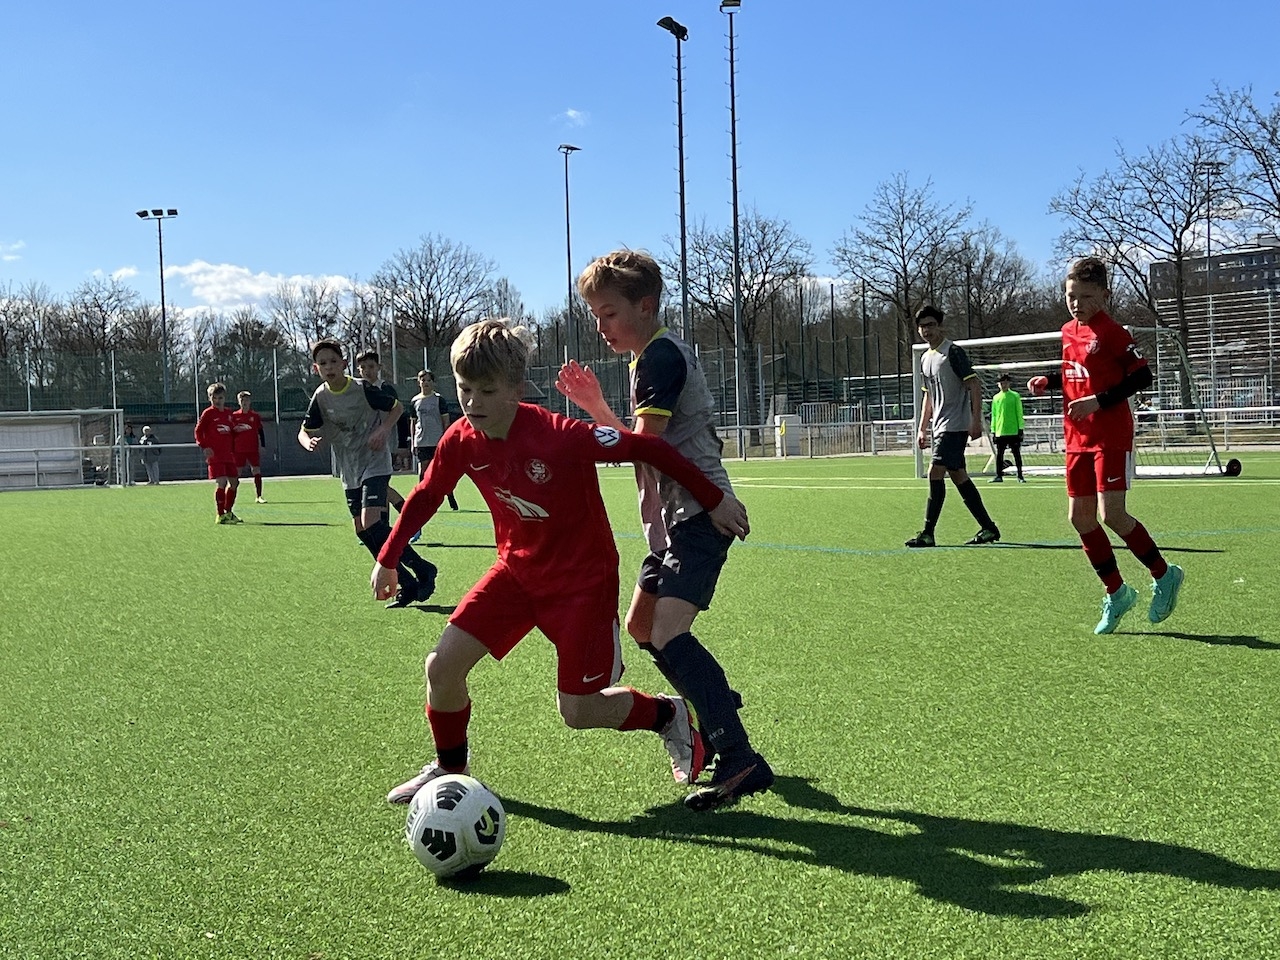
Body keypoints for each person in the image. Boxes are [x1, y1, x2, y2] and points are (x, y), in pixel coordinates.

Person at [376, 319, 751, 811]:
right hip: (515, 574)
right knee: (441, 668)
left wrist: (714, 499)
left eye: (487, 391)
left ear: (516, 389)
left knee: (578, 710)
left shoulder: (559, 435)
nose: (472, 402)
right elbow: (426, 494)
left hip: (581, 585)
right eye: (465, 388)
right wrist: (388, 559)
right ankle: (450, 768)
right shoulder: (461, 438)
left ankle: (668, 715)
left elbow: (649, 446)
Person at [557, 248, 774, 811]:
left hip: (700, 515)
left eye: (608, 313)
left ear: (645, 306)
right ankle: (713, 703)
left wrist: (587, 421)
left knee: (669, 632)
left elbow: (643, 447)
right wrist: (596, 405)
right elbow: (640, 445)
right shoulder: (646, 359)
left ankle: (738, 756)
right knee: (642, 626)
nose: (600, 327)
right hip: (675, 522)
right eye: (595, 315)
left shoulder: (660, 357)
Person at [1029, 257, 1183, 634]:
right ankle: (1117, 593)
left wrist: (1098, 401)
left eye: (1085, 296)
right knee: (1080, 519)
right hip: (1076, 436)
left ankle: (1164, 575)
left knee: (1111, 514)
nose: (1076, 303)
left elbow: (1142, 377)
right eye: (1071, 295)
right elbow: (1074, 374)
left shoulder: (1113, 333)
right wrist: (1049, 381)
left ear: (1104, 294)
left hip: (1110, 435)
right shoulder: (1068, 331)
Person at [300, 339, 438, 608]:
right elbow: (304, 431)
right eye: (323, 363)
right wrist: (308, 442)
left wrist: (384, 430)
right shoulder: (320, 397)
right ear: (316, 368)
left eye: (333, 361)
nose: (329, 367)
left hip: (375, 462)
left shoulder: (363, 388)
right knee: (362, 530)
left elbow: (397, 408)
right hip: (349, 468)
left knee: (371, 522)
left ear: (344, 364)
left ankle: (420, 569)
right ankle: (411, 579)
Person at [904, 304, 1000, 548]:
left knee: (934, 472)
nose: (927, 330)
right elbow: (928, 396)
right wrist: (922, 428)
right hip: (940, 427)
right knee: (958, 476)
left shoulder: (953, 352)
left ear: (940, 326)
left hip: (954, 425)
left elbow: (974, 385)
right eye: (922, 326)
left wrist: (975, 420)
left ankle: (928, 533)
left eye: (931, 325)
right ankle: (988, 527)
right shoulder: (925, 358)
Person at [353, 350, 410, 515]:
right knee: (376, 487)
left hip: (384, 444)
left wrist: (402, 444)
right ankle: (383, 524)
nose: (367, 371)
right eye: (363, 367)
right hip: (364, 446)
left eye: (371, 366)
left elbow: (401, 415)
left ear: (379, 367)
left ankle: (409, 515)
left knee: (377, 484)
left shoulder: (385, 388)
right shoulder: (357, 389)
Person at [410, 369, 459, 515]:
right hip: (421, 441)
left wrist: (446, 440)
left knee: (442, 471)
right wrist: (413, 442)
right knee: (423, 471)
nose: (425, 383)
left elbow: (445, 421)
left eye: (428, 380)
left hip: (437, 441)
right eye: (423, 380)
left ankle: (450, 496)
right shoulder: (415, 401)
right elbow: (413, 423)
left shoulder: (439, 400)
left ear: (433, 383)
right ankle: (421, 499)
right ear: (418, 382)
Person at [194, 383, 241, 524]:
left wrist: (236, 432)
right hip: (215, 454)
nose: (217, 401)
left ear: (224, 398)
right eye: (214, 398)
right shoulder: (208, 413)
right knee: (222, 482)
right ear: (210, 398)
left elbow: (230, 431)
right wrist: (204, 446)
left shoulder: (228, 413)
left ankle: (228, 512)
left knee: (234, 482)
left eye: (220, 398)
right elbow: (198, 431)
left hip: (228, 454)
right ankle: (220, 515)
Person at [231, 391, 268, 503]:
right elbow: (231, 433)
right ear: (238, 402)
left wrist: (263, 445)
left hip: (252, 448)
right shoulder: (234, 416)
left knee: (256, 470)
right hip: (238, 449)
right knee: (236, 473)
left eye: (246, 400)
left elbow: (260, 431)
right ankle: (232, 496)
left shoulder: (254, 416)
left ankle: (259, 496)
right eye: (242, 400)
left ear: (250, 401)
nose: (244, 402)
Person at [989, 373, 1026, 483]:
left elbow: (1019, 412)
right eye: (1001, 383)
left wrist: (1020, 428)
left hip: (1013, 430)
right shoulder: (996, 398)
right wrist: (993, 430)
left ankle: (1020, 476)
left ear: (1009, 383)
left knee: (1016, 454)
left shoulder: (1015, 396)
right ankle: (998, 475)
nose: (1003, 385)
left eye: (1005, 383)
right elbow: (994, 415)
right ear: (998, 384)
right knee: (999, 455)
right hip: (1000, 431)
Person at [115, 421, 138, 486]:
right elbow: (117, 445)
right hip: (123, 455)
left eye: (130, 429)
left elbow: (136, 445)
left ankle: (131, 480)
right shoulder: (121, 437)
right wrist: (118, 452)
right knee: (123, 468)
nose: (128, 431)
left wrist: (135, 452)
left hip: (131, 454)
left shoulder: (133, 437)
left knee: (131, 468)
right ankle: (123, 480)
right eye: (127, 429)